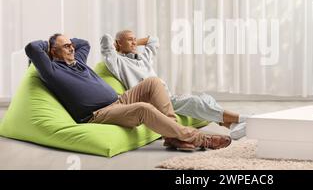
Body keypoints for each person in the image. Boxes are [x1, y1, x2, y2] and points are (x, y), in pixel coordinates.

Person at [25, 34, 231, 151]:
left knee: (153, 82)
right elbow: (32, 48)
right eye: (65, 46)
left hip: (119, 100)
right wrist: (50, 43)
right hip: (97, 115)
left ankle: (173, 135)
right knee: (143, 108)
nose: (71, 48)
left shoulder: (78, 60)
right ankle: (200, 139)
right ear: (52, 52)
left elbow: (83, 43)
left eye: (71, 45)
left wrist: (63, 41)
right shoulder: (52, 70)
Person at [100, 30, 248, 140]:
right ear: (118, 43)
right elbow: (105, 41)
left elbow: (154, 40)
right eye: (129, 40)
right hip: (154, 101)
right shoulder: (118, 62)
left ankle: (233, 127)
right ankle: (245, 119)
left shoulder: (143, 58)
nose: (134, 42)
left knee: (206, 98)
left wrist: (133, 43)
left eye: (135, 39)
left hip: (169, 97)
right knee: (195, 102)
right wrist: (117, 45)